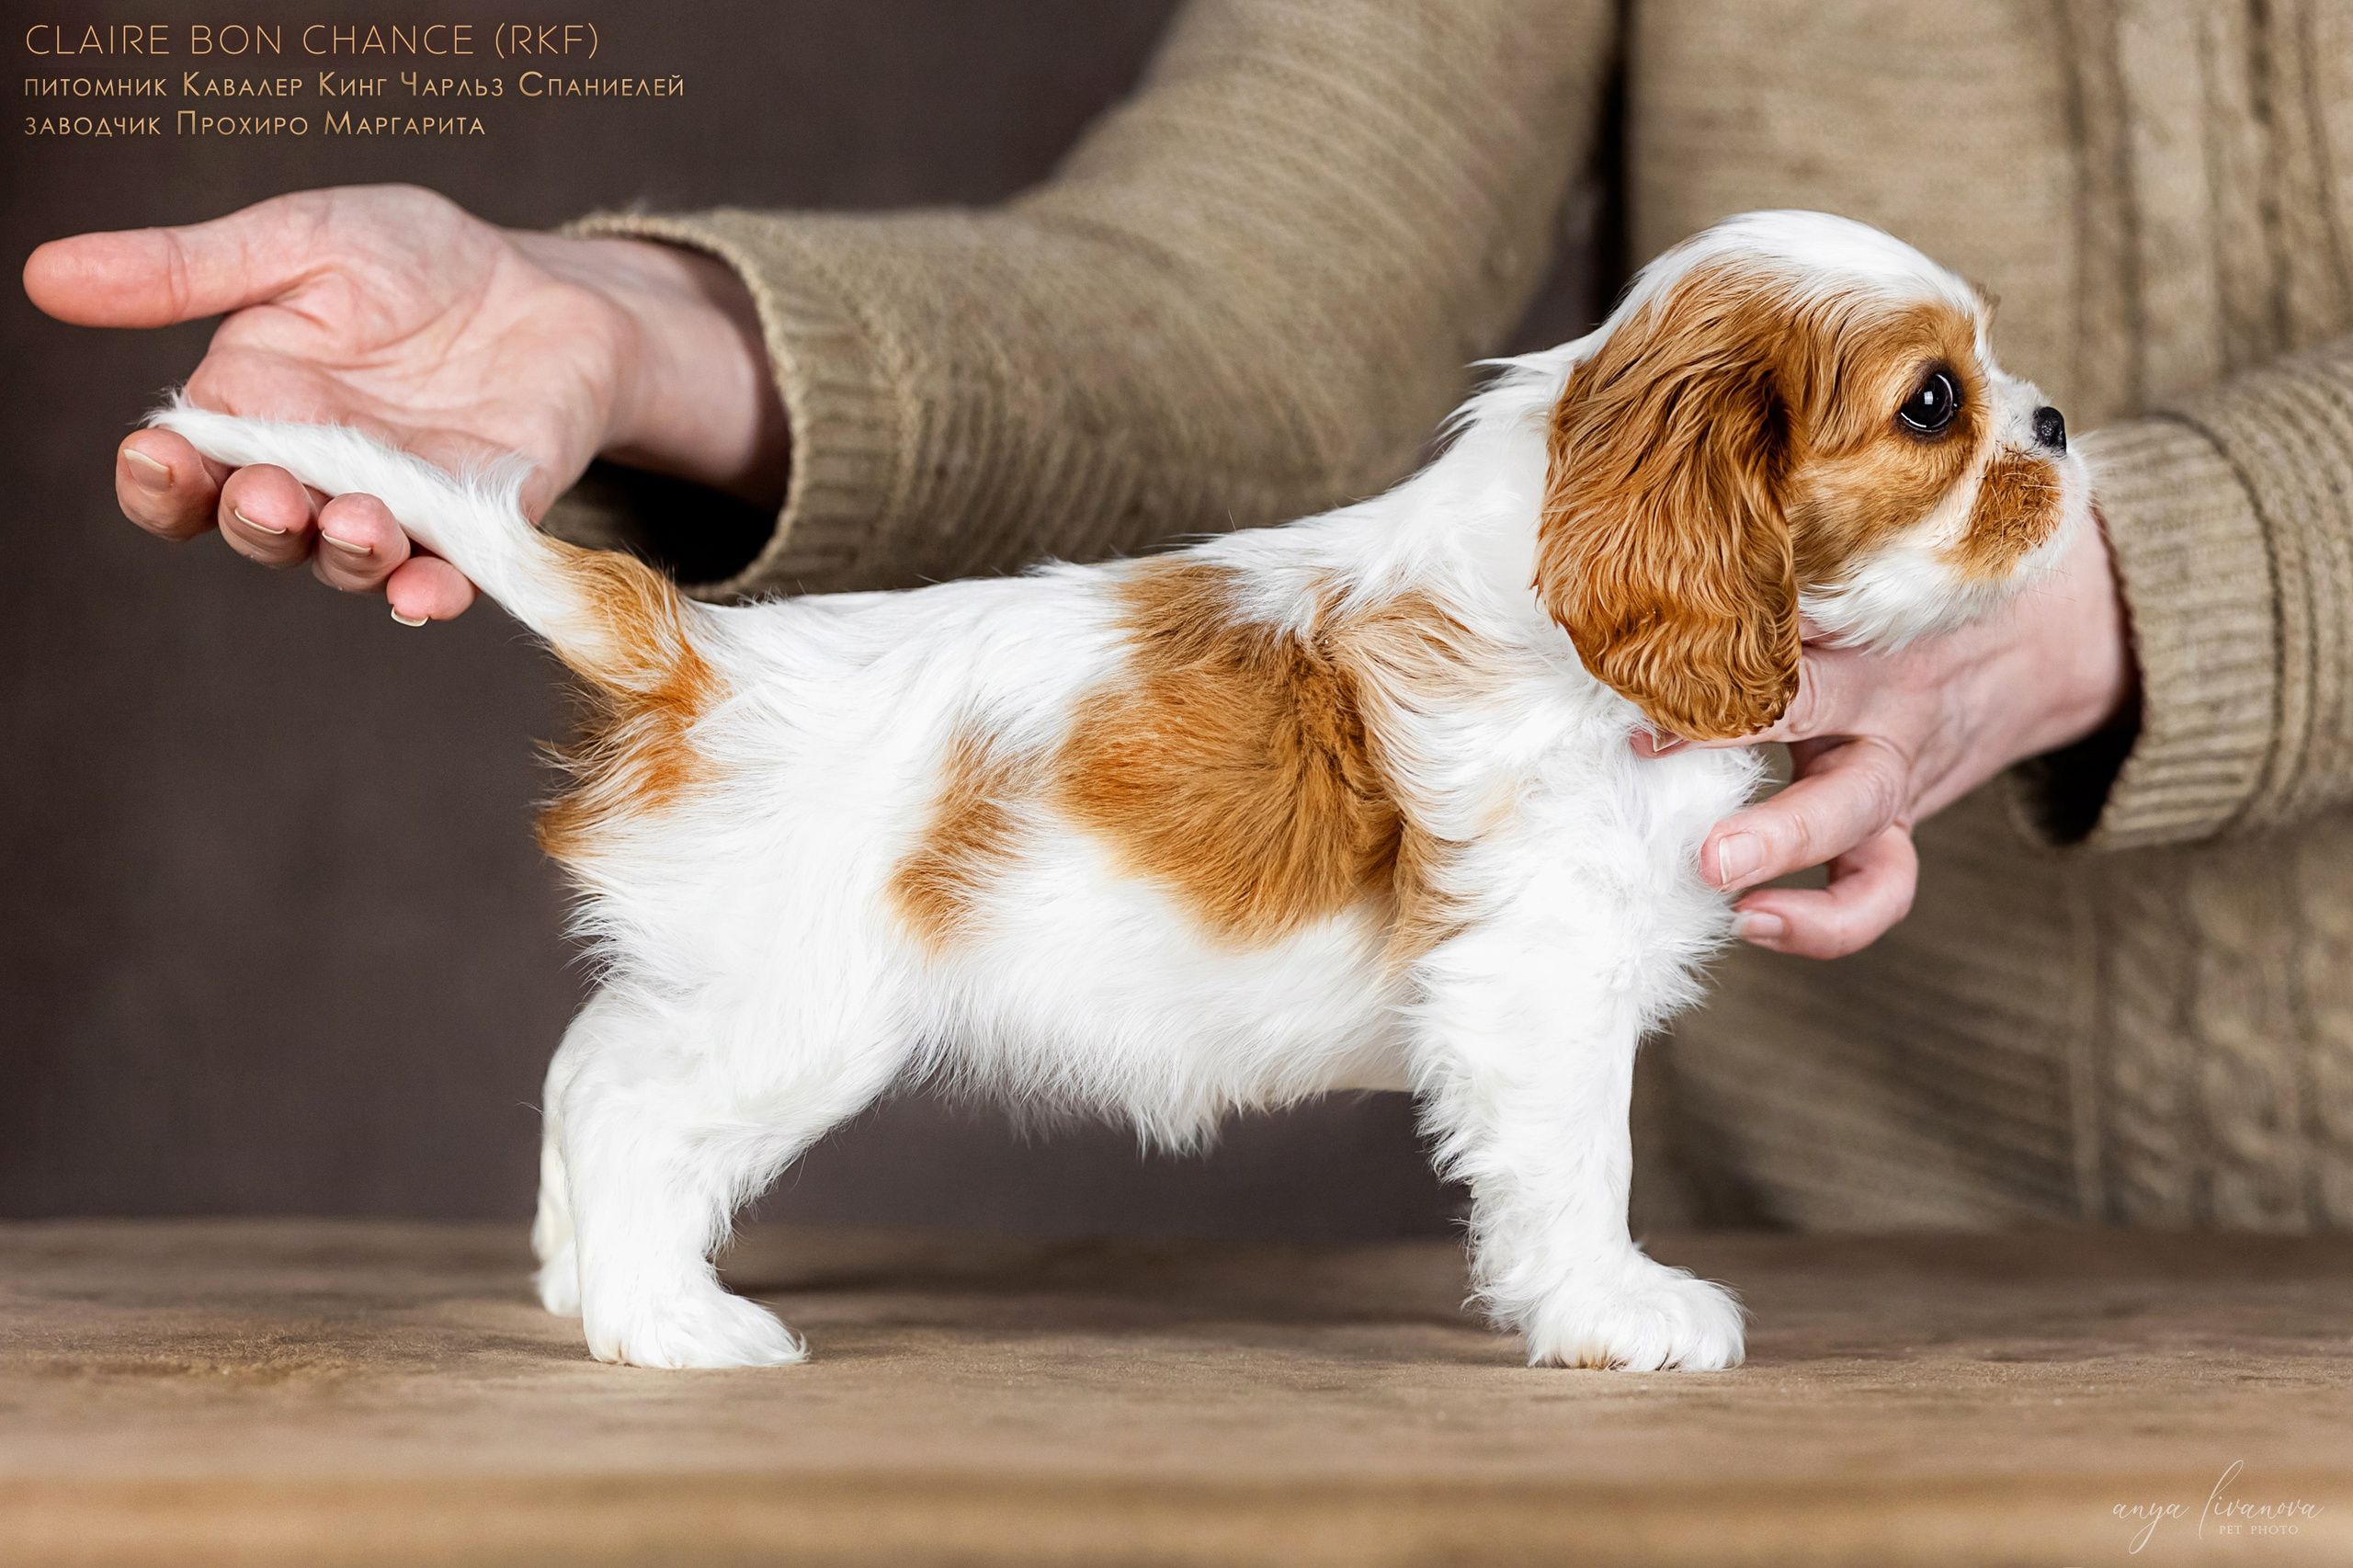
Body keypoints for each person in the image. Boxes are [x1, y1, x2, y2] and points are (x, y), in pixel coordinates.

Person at [26, 0, 2353, 1230]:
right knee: (794, 1009)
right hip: (1869, 1287)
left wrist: (2147, 576)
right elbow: (1240, 294)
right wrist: (629, 326)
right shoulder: (1600, 573)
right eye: (1939, 406)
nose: (2023, 439)